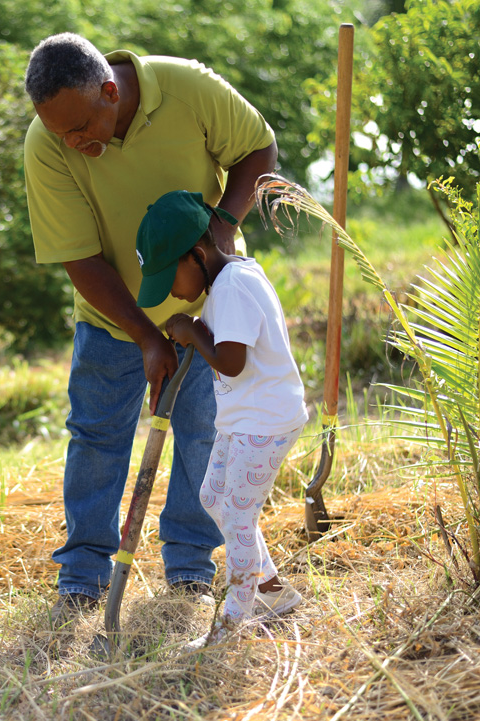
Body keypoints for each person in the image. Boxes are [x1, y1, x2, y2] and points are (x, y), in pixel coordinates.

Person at [22, 32, 281, 623]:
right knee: (96, 439)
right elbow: (79, 257)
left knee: (202, 435)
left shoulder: (187, 89)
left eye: (80, 128)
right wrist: (145, 335)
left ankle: (190, 570)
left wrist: (221, 228)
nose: (72, 142)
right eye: (61, 133)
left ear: (110, 92)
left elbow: (258, 149)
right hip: (113, 317)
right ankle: (82, 576)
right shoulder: (48, 142)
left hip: (207, 309)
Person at [135, 189, 308, 646]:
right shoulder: (228, 281)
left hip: (265, 421)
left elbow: (231, 362)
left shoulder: (232, 287)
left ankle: (232, 621)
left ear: (196, 254)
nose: (172, 292)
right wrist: (193, 327)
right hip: (242, 419)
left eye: (171, 278)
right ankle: (271, 590)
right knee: (213, 497)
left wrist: (193, 330)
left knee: (236, 516)